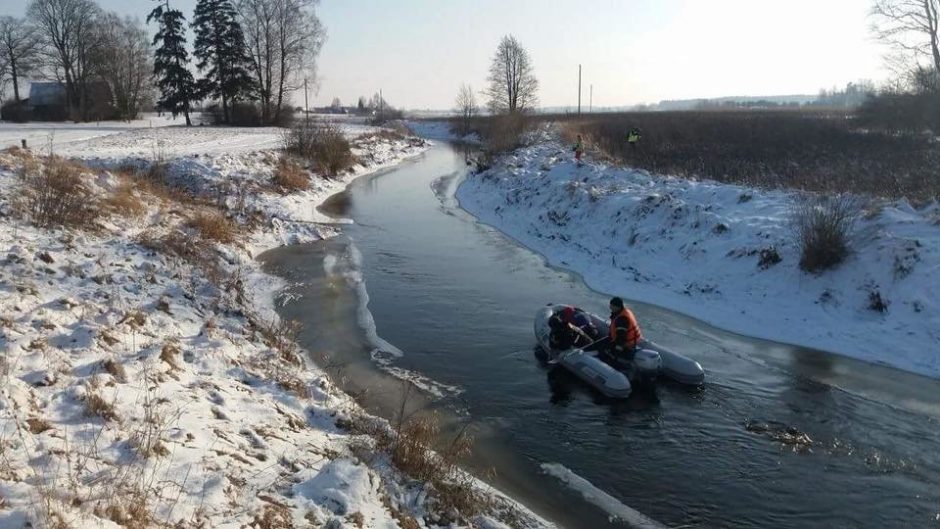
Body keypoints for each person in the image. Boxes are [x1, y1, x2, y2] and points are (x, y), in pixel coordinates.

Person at [605, 296, 643, 361]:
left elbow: (621, 337)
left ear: (618, 307)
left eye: (612, 306)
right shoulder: (625, 312)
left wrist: (617, 350)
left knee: (604, 351)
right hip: (633, 341)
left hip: (627, 344)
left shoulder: (622, 319)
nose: (610, 307)